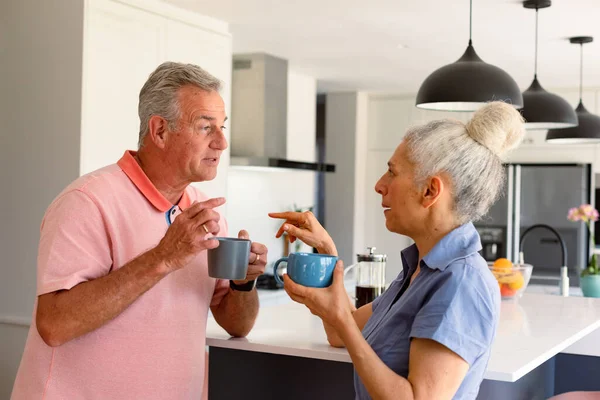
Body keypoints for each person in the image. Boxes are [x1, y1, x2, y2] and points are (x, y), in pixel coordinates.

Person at [11, 62, 268, 400]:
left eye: (222, 127)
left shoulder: (205, 210)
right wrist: (164, 256)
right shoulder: (86, 201)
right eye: (206, 127)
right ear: (160, 131)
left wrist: (243, 283)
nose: (221, 142)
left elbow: (237, 325)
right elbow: (55, 325)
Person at [270, 101, 525, 400]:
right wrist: (327, 253)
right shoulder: (421, 270)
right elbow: (341, 333)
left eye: (392, 172)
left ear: (430, 191)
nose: (380, 185)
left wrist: (341, 319)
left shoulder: (460, 283)